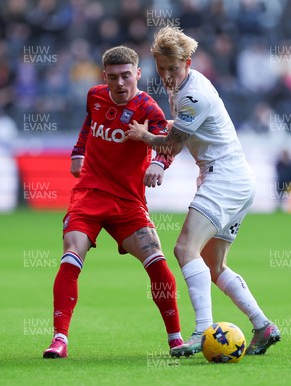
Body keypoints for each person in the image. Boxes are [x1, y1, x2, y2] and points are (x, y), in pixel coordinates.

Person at [124, 26, 280, 357]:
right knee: (214, 266)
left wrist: (143, 136)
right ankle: (263, 325)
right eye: (161, 68)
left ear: (188, 62)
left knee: (183, 249)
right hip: (234, 178)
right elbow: (179, 130)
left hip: (224, 178)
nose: (166, 75)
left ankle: (202, 331)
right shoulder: (185, 89)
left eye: (173, 68)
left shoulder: (193, 95)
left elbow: (173, 144)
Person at [43, 46, 183, 359]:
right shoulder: (95, 96)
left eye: (126, 76)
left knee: (157, 261)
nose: (119, 83)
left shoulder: (149, 109)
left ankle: (176, 339)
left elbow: (170, 142)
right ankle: (59, 340)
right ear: (104, 76)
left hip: (128, 201)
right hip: (89, 194)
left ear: (138, 74)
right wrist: (78, 152)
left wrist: (159, 164)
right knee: (70, 255)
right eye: (113, 77)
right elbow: (88, 122)